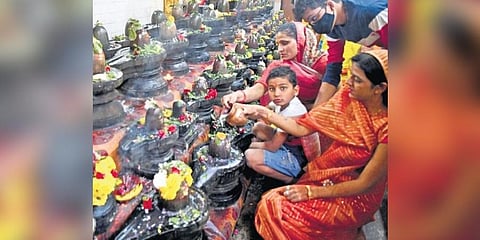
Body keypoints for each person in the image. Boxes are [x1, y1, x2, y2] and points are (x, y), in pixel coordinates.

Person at [231, 49, 388, 239]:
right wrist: (260, 112)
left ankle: (346, 230)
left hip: (355, 196)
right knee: (270, 204)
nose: (348, 83)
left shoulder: (388, 129)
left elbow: (364, 184)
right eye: (350, 76)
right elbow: (301, 128)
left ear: (379, 88)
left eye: (357, 79)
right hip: (326, 176)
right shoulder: (348, 98)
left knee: (282, 217)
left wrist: (310, 192)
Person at [294, 0, 388, 105]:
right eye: (310, 22)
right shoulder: (332, 28)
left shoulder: (372, 12)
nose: (315, 25)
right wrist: (315, 111)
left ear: (329, 5)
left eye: (314, 18)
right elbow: (333, 69)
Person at [222, 22, 327, 110]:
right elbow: (260, 88)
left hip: (315, 118)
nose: (280, 49)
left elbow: (332, 99)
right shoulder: (278, 66)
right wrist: (237, 95)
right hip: (285, 117)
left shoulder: (323, 63)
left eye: (285, 43)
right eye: (278, 44)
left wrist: (303, 110)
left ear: (301, 40)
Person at [246, 66, 308, 184]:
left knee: (250, 156)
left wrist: (253, 144)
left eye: (283, 88)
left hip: (296, 156)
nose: (277, 93)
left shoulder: (293, 111)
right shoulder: (283, 102)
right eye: (271, 89)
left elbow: (272, 147)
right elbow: (265, 111)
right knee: (257, 128)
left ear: (296, 90)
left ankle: (291, 179)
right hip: (286, 143)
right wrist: (246, 113)